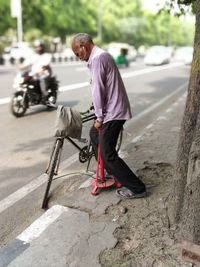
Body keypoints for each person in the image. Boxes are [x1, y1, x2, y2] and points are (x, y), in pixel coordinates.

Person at [71, 33, 146, 199]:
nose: (78, 57)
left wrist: (99, 118)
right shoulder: (100, 57)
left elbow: (98, 90)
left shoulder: (98, 59)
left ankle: (137, 188)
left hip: (113, 112)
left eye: (78, 53)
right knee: (93, 135)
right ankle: (111, 173)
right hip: (114, 109)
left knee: (108, 154)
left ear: (83, 45)